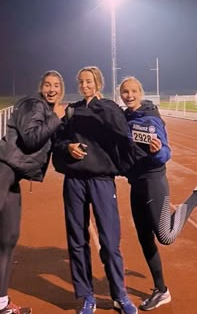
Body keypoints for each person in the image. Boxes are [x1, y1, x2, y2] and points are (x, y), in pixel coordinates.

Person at [119, 76, 197, 311]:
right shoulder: (125, 118)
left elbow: (166, 152)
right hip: (136, 184)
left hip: (154, 181)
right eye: (125, 91)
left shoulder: (151, 117)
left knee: (165, 236)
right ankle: (161, 290)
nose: (130, 95)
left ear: (141, 92)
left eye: (134, 90)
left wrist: (157, 152)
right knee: (145, 239)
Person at [52, 66, 139, 314]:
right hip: (74, 181)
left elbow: (122, 132)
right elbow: (57, 141)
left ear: (97, 82)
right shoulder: (71, 110)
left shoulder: (109, 107)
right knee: (77, 240)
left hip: (101, 180)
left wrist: (99, 106)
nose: (84, 85)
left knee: (110, 242)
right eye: (81, 82)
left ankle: (120, 295)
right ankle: (87, 296)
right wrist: (68, 147)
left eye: (89, 81)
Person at [0, 70, 65, 314]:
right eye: (47, 84)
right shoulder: (34, 104)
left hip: (13, 176)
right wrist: (56, 118)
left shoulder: (48, 111)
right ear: (41, 87)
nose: (52, 89)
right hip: (3, 169)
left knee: (7, 240)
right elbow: (30, 139)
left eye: (56, 85)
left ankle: (2, 304)